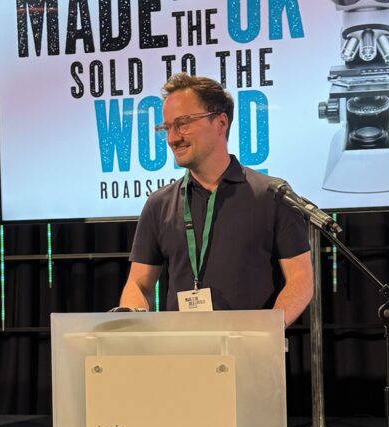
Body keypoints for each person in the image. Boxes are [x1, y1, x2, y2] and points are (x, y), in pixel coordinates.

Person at [119, 74, 313, 325]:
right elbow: (139, 284)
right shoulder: (159, 204)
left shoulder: (271, 194)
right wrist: (129, 320)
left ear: (221, 123)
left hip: (250, 347)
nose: (172, 138)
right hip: (182, 348)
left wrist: (264, 333)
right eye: (167, 128)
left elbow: (301, 280)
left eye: (183, 123)